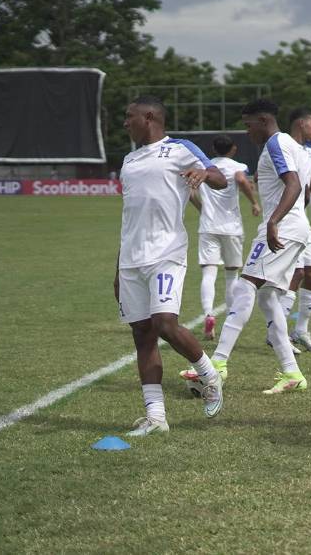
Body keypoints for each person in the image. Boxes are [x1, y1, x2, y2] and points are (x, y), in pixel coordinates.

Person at [114, 95, 228, 436]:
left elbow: (221, 178)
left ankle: (209, 377)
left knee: (165, 323)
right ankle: (156, 417)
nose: (125, 122)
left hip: (167, 252)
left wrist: (204, 172)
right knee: (142, 336)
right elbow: (128, 219)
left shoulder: (180, 148)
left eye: (129, 116)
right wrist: (117, 268)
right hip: (131, 260)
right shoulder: (129, 160)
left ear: (149, 117)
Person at [209, 98, 311, 394]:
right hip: (294, 229)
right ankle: (292, 372)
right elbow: (302, 192)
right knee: (268, 299)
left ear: (263, 120)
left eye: (248, 124)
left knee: (245, 287)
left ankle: (217, 363)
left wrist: (274, 221)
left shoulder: (277, 144)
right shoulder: (293, 146)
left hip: (281, 229)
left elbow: (292, 184)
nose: (247, 132)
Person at [189, 135, 260, 340]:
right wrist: (253, 202)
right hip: (231, 227)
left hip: (208, 226)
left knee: (208, 273)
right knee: (231, 275)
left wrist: (203, 210)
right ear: (234, 149)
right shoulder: (237, 166)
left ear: (213, 148)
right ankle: (230, 319)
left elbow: (191, 192)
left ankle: (208, 314)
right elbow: (240, 179)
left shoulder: (206, 167)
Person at [284, 108, 311, 353]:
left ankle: (300, 330)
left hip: (303, 220)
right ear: (301, 124)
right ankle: (276, 334)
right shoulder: (284, 144)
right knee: (296, 274)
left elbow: (304, 189)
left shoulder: (308, 152)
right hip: (288, 221)